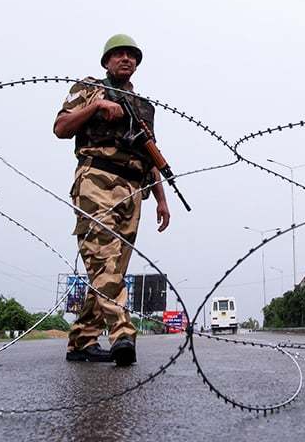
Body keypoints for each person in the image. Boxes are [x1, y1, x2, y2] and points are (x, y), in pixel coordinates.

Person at [54, 34, 171, 366]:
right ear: (106, 61)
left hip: (133, 190)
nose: (126, 59)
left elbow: (150, 154)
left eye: (132, 56)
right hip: (97, 181)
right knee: (103, 260)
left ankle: (81, 342)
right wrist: (96, 106)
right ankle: (123, 334)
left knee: (112, 269)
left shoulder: (142, 106)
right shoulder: (89, 88)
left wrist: (161, 199)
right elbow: (61, 128)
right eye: (119, 54)